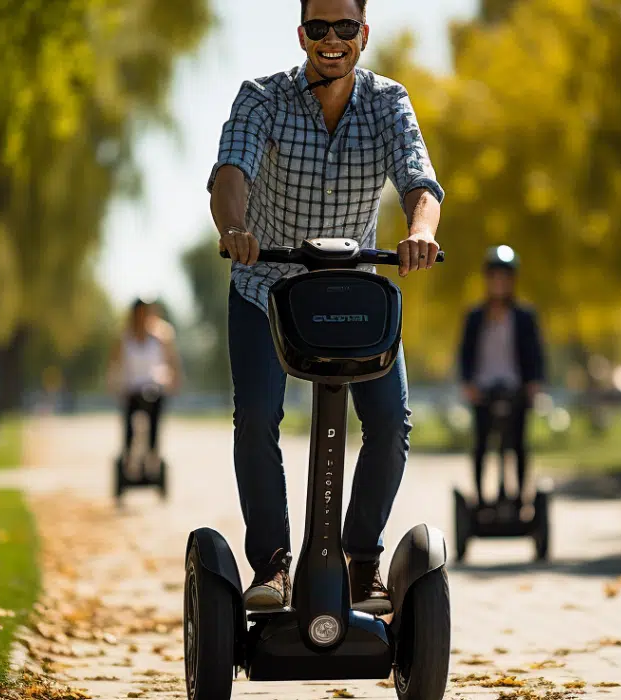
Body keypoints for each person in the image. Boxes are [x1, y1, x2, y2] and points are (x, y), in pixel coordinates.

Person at [207, 0, 444, 614]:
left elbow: (420, 182)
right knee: (257, 417)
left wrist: (419, 232)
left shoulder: (388, 102)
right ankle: (273, 566)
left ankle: (362, 561)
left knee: (391, 422)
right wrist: (235, 228)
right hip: (266, 287)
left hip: (350, 293)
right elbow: (230, 172)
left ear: (363, 34)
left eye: (345, 27)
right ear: (303, 35)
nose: (331, 40)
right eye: (319, 28)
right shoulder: (262, 97)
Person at [458, 246, 547, 508]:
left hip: (515, 387)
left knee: (517, 444)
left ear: (512, 281)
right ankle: (480, 499)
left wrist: (534, 383)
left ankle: (519, 498)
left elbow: (535, 352)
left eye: (504, 277)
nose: (499, 282)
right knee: (482, 444)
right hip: (483, 388)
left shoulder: (524, 316)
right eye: (494, 276)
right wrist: (468, 383)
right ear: (487, 279)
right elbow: (465, 353)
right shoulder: (475, 316)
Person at [108, 299, 183, 472]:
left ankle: (153, 452)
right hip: (131, 389)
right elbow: (114, 365)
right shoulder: (124, 339)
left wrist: (174, 380)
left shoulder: (160, 338)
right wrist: (114, 384)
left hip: (152, 388)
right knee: (129, 419)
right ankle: (128, 454)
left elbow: (171, 363)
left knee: (155, 410)